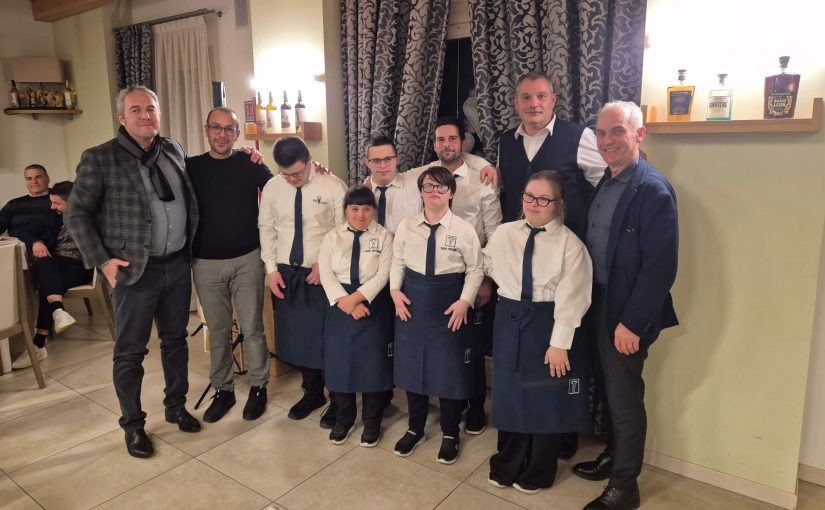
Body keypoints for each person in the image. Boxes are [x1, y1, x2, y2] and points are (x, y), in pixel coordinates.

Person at [66, 86, 208, 458]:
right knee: (130, 352)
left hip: (177, 265)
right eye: (137, 109)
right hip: (133, 273)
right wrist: (103, 261)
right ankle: (133, 425)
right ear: (122, 118)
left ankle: (176, 407)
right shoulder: (100, 158)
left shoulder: (172, 150)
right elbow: (75, 214)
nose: (146, 115)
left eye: (151, 108)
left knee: (176, 342)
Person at [573, 101, 678, 510]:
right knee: (608, 393)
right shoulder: (607, 180)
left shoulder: (652, 189)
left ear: (639, 133)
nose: (607, 140)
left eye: (617, 131)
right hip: (597, 306)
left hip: (625, 315)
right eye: (601, 133)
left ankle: (624, 487)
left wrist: (631, 323)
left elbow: (661, 267)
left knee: (624, 400)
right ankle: (613, 457)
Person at [484, 170, 593, 494]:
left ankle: (539, 469)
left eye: (543, 198)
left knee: (544, 399)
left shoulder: (570, 245)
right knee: (510, 396)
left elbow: (574, 297)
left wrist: (559, 344)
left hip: (547, 324)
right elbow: (487, 263)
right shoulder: (504, 234)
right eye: (528, 196)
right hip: (509, 321)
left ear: (557, 203)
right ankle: (507, 462)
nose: (533, 203)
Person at [415, 116, 503, 435]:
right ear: (435, 143)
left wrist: (486, 280)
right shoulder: (427, 174)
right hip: (439, 277)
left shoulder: (482, 172)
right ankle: (452, 403)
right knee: (445, 346)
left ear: (463, 141)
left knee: (472, 348)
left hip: (473, 275)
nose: (446, 145)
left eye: (452, 139)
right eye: (440, 140)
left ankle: (476, 407)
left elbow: (494, 232)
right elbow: (391, 183)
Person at [389, 166, 483, 464]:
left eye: (441, 188)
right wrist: (394, 291)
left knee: (449, 372)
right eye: (428, 187)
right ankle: (415, 428)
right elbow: (397, 261)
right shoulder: (407, 226)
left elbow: (475, 269)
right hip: (412, 302)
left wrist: (465, 302)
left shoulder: (464, 230)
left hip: (449, 305)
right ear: (420, 192)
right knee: (413, 368)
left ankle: (450, 433)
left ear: (451, 193)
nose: (435, 192)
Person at [187, 107, 274, 423]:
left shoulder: (249, 164)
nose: (222, 134)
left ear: (238, 134)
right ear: (206, 129)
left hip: (247, 259)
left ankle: (258, 388)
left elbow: (280, 191)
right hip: (206, 263)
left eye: (229, 129)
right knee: (219, 331)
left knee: (253, 329)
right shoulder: (190, 167)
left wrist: (313, 171)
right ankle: (223, 389)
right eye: (216, 128)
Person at [259, 136, 347, 428]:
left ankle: (336, 399)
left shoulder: (331, 185)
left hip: (323, 272)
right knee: (300, 340)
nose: (293, 179)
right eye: (287, 174)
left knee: (327, 341)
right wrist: (271, 270)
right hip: (288, 272)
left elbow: (342, 230)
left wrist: (325, 263)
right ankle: (312, 393)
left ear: (310, 162)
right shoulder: (273, 187)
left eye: (298, 173)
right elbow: (267, 228)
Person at [318, 186, 394, 446]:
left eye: (366, 209)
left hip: (372, 305)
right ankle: (344, 418)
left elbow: (383, 275)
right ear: (346, 210)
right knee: (341, 366)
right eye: (354, 209)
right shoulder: (332, 237)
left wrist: (357, 299)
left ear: (374, 210)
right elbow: (326, 274)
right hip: (339, 304)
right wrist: (346, 303)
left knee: (373, 366)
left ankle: (372, 421)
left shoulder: (384, 236)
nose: (360, 214)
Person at [497, 71, 604, 229]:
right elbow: (503, 187)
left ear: (553, 100)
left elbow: (607, 187)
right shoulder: (506, 141)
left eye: (541, 96)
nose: (534, 104)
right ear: (516, 103)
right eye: (526, 97)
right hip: (516, 243)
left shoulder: (580, 137)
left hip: (567, 244)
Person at [11, 180, 93, 369]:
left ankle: (39, 343)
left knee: (48, 281)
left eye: (56, 203)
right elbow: (22, 231)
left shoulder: (91, 218)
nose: (52, 206)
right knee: (44, 262)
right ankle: (57, 311)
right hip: (56, 262)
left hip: (80, 267)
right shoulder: (54, 216)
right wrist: (37, 242)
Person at [362, 136, 423, 234]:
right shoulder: (359, 194)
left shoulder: (415, 179)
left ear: (397, 159)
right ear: (367, 162)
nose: (382, 165)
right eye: (376, 161)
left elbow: (446, 165)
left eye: (388, 159)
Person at [0, 164, 61, 259]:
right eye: (29, 178)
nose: (34, 182)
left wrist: (36, 242)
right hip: (19, 253)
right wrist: (33, 241)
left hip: (49, 252)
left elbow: (56, 228)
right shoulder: (14, 204)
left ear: (48, 178)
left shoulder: (58, 199)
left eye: (38, 177)